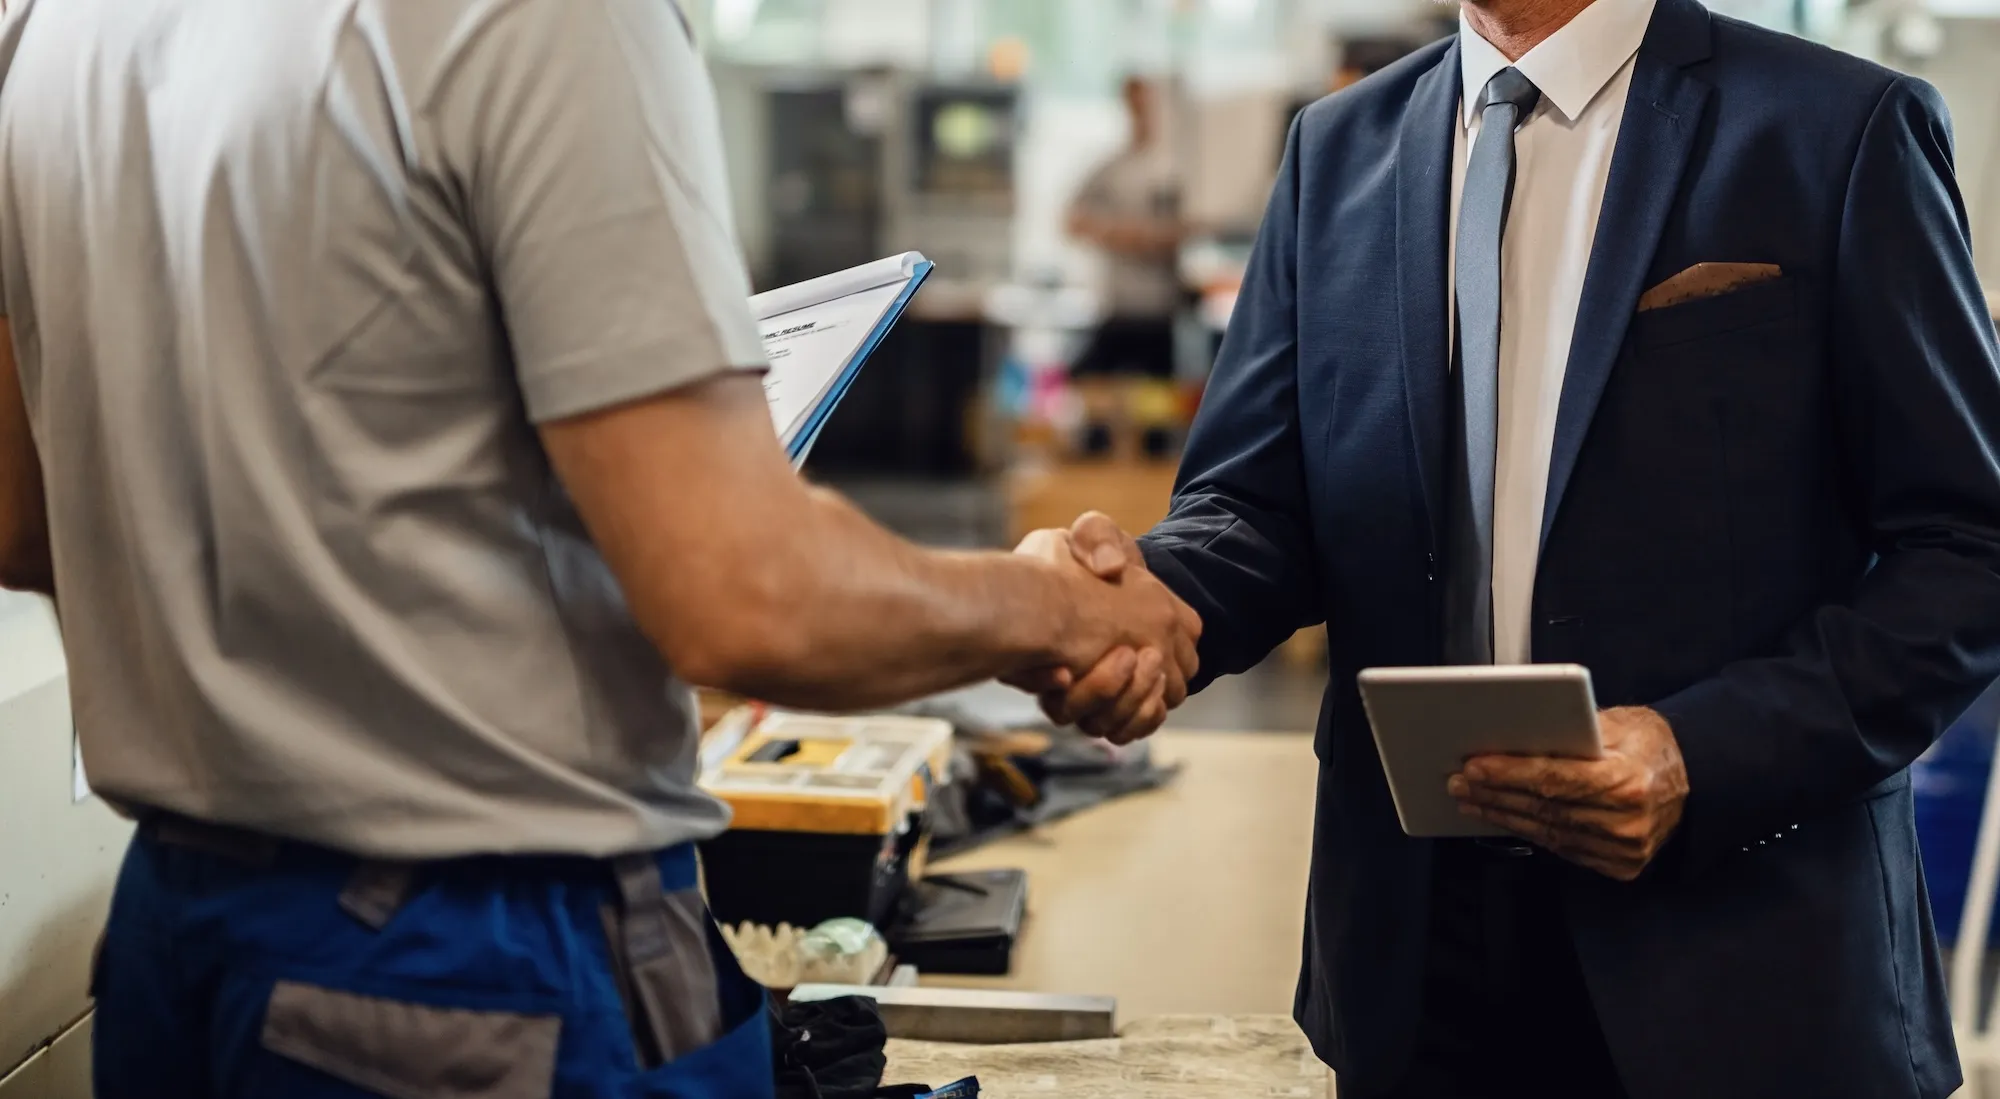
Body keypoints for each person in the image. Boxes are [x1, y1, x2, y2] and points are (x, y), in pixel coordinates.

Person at [0, 1, 1198, 1096]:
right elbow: (746, 595)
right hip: (472, 965)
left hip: (178, 936)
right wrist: (1057, 606)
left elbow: (23, 517)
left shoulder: (55, 29)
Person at [1029, 0, 2000, 1094]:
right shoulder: (1337, 148)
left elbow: (1966, 545)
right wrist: (1153, 606)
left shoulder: (1833, 129)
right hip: (1416, 956)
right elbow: (1257, 504)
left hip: (1743, 953)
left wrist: (1701, 752)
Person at [1066, 75, 1187, 379]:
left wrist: (1148, 237)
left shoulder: (1175, 169)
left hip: (1160, 312)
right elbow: (1071, 220)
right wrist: (1119, 234)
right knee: (1088, 391)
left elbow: (1187, 230)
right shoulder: (1113, 167)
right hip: (1118, 308)